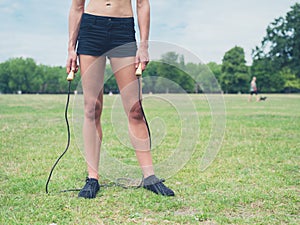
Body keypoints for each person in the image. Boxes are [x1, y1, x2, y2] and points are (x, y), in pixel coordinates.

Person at [66, 0, 175, 198]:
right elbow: (77, 7)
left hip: (123, 29)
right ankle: (92, 178)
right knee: (92, 107)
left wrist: (143, 46)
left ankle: (149, 177)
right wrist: (71, 48)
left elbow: (142, 4)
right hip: (91, 28)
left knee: (135, 109)